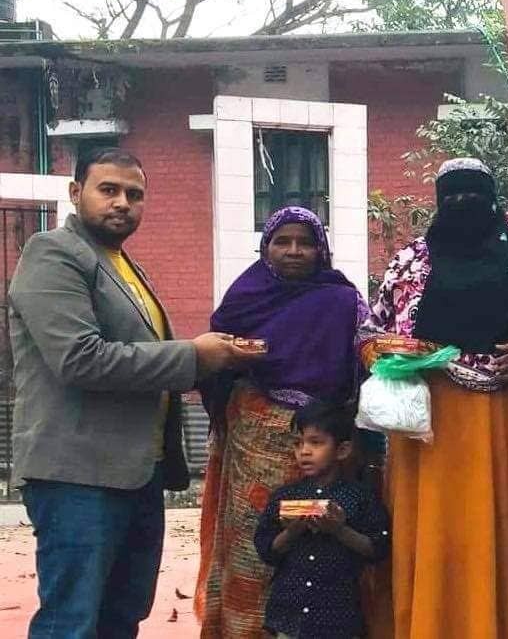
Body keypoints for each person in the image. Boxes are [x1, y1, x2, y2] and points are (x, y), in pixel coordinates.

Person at [7, 148, 262, 639]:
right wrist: (193, 357)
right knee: (71, 621)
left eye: (135, 194)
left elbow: (140, 356)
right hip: (78, 475)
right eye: (108, 190)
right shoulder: (53, 253)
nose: (122, 202)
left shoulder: (124, 266)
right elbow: (79, 358)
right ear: (75, 192)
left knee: (122, 617)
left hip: (137, 473)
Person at [359, 157, 508, 639]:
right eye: (452, 197)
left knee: (498, 540)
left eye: (474, 195)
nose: (463, 205)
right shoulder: (410, 265)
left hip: (505, 430)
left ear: (494, 200)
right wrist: (396, 352)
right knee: (434, 541)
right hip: (425, 435)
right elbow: (369, 334)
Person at [195, 206, 368, 639]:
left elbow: (364, 364)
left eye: (305, 242)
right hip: (253, 446)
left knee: (320, 549)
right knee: (252, 544)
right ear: (265, 247)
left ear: (321, 250)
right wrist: (234, 359)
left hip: (325, 444)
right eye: (282, 241)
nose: (294, 250)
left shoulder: (342, 300)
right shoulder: (244, 296)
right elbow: (214, 361)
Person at [254, 400, 391, 639]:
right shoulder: (285, 496)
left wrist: (340, 530)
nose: (304, 451)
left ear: (342, 450)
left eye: (315, 443)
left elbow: (378, 548)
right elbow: (267, 551)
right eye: (298, 443)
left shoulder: (359, 497)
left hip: (338, 620)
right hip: (288, 618)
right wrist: (291, 532)